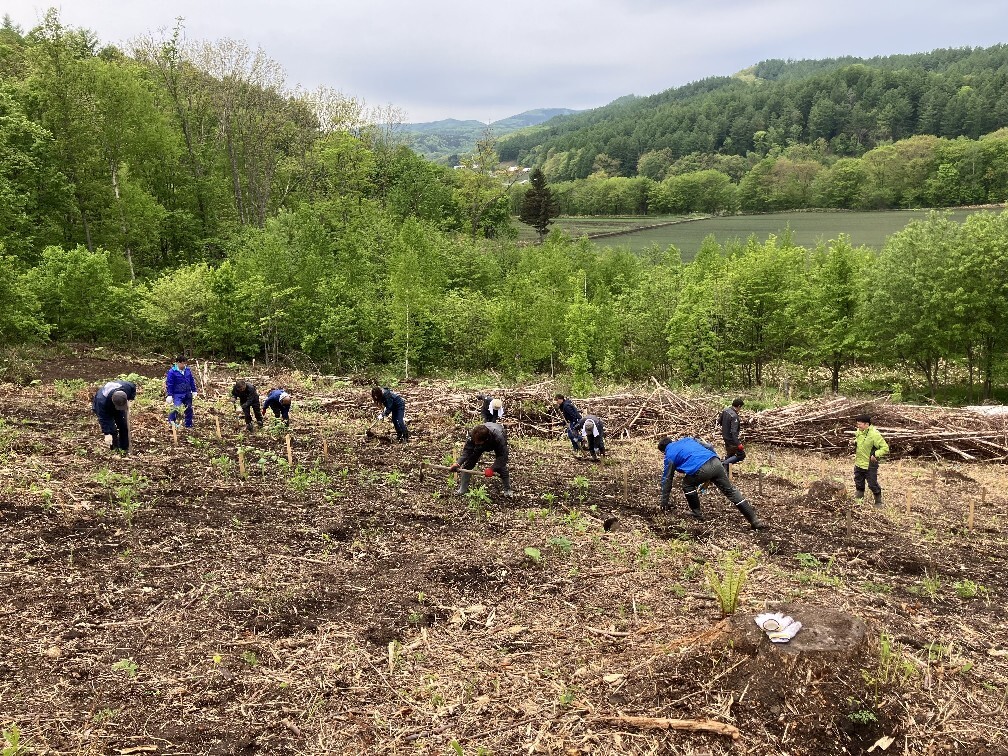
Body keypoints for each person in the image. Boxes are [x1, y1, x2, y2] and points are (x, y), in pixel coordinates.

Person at [658, 435, 768, 530]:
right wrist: (716, 460)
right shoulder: (687, 440)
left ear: (663, 451)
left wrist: (664, 503)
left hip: (701, 469)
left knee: (687, 484)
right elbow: (709, 446)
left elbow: (667, 479)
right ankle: (754, 521)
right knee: (731, 491)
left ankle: (696, 513)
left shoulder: (669, 455)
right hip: (715, 462)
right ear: (672, 441)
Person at [449, 422, 513, 497]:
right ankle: (462, 489)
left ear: (485, 440)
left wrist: (492, 469)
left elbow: (502, 457)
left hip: (495, 440)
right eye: (474, 441)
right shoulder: (473, 434)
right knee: (468, 464)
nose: (475, 443)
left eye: (477, 442)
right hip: (482, 441)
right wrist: (458, 463)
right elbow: (467, 451)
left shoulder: (498, 437)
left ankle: (507, 489)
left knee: (501, 466)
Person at [853, 413, 889, 507]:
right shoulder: (859, 431)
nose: (858, 426)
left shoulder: (874, 434)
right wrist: (855, 442)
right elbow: (859, 441)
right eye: (857, 424)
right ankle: (859, 500)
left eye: (860, 424)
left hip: (870, 464)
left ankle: (878, 502)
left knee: (872, 484)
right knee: (858, 481)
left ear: (866, 424)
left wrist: (875, 454)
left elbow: (885, 448)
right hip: (859, 462)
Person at [92, 379, 137, 453]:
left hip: (119, 401)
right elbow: (103, 418)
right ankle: (114, 449)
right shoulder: (101, 401)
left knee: (123, 425)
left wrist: (131, 398)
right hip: (105, 408)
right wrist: (107, 433)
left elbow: (133, 387)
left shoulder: (127, 387)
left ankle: (124, 447)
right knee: (112, 430)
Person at [165, 355, 197, 428]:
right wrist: (170, 395)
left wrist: (194, 390)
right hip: (177, 394)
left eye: (185, 363)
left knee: (189, 408)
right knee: (176, 407)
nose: (184, 365)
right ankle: (171, 422)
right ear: (178, 363)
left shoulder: (187, 370)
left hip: (187, 393)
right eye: (182, 363)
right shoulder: (172, 372)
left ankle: (188, 425)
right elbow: (169, 384)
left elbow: (191, 381)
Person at [719, 397, 746, 475]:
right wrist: (738, 444)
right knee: (741, 455)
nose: (740, 409)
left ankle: (725, 472)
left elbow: (719, 422)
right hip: (731, 439)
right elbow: (734, 432)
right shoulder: (734, 416)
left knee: (730, 454)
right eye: (741, 407)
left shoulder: (725, 410)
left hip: (725, 437)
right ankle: (724, 464)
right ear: (739, 406)